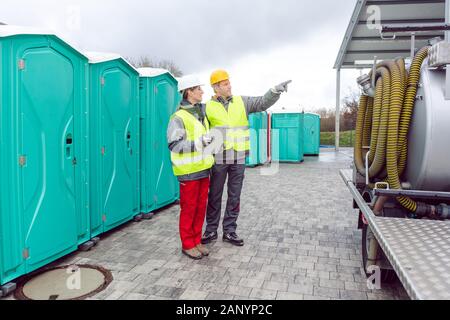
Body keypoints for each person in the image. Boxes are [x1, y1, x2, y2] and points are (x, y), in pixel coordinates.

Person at [201, 69, 291, 246]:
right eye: (225, 84)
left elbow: (262, 102)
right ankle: (211, 230)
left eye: (229, 82)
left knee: (234, 196)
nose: (229, 86)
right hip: (219, 158)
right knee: (214, 195)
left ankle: (230, 231)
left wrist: (275, 91)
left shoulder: (242, 102)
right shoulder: (206, 107)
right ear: (216, 88)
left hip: (239, 158)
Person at [167, 75, 215, 260]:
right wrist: (200, 142)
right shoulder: (179, 117)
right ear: (189, 92)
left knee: (200, 208)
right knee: (189, 209)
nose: (203, 92)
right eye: (199, 89)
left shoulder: (199, 114)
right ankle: (187, 244)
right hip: (188, 172)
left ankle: (196, 241)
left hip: (203, 169)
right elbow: (175, 145)